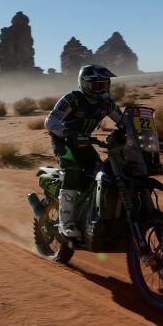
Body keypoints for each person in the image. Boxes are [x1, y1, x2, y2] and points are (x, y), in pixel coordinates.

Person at [44, 64, 122, 238]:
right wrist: (67, 133)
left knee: (101, 173)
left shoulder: (107, 104)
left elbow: (124, 121)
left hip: (84, 142)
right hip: (64, 141)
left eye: (106, 84)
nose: (103, 89)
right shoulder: (73, 99)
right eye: (98, 85)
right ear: (86, 83)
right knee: (73, 171)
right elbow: (50, 121)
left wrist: (138, 134)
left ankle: (91, 215)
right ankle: (66, 222)